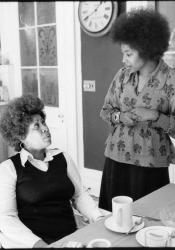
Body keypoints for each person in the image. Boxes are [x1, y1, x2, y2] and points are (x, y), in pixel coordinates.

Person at [0, 94, 104, 248]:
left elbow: (79, 194)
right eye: (37, 126)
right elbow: (6, 218)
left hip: (69, 239)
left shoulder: (63, 157)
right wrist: (41, 246)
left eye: (43, 122)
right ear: (21, 136)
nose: (45, 128)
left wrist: (98, 218)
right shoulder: (8, 169)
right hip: (34, 244)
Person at [99, 8, 175, 212]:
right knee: (114, 217)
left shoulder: (171, 80)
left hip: (150, 164)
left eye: (128, 54)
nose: (123, 59)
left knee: (148, 218)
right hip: (116, 158)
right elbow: (106, 110)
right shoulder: (122, 75)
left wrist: (156, 116)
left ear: (147, 49)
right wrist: (119, 116)